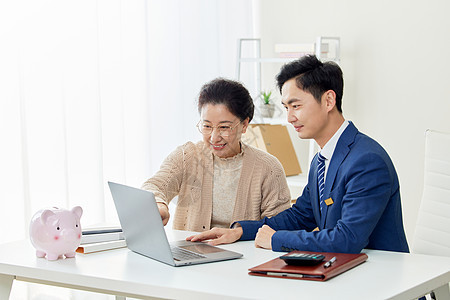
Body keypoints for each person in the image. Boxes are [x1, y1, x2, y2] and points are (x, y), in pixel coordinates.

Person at [187, 55, 410, 254]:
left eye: (296, 106)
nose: (290, 117)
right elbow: (300, 217)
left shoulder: (366, 161)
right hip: (343, 274)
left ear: (329, 101)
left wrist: (275, 239)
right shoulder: (321, 161)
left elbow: (347, 239)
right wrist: (240, 231)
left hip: (382, 284)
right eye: (286, 108)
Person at [142, 78, 291, 232]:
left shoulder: (268, 168)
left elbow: (280, 225)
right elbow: (153, 186)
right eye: (207, 126)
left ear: (244, 124)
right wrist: (159, 203)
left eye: (224, 127)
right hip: (192, 252)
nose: (214, 137)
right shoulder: (187, 156)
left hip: (247, 255)